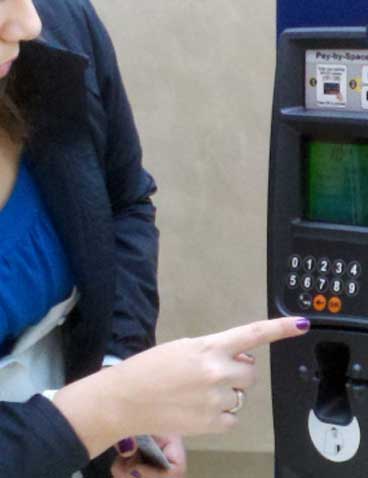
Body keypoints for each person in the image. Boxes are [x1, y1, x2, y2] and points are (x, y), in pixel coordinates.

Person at [0, 1, 309, 477]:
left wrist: (118, 369)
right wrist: (103, 408)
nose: (28, 23)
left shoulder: (59, 22)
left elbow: (123, 203)